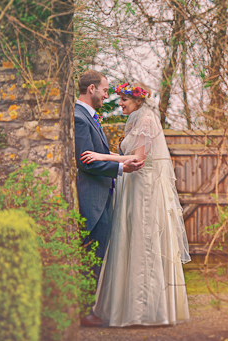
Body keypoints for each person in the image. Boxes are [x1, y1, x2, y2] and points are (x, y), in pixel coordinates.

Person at [80, 82, 191, 327]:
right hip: (131, 188)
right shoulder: (135, 121)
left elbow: (138, 159)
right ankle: (128, 306)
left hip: (144, 190)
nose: (119, 103)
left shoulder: (148, 121)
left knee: (143, 242)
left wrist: (102, 156)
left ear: (138, 102)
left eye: (124, 100)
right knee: (128, 242)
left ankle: (145, 311)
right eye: (120, 99)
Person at [74, 71, 144, 327]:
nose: (107, 94)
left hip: (103, 197)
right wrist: (120, 168)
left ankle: (88, 308)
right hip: (92, 199)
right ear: (91, 88)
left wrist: (117, 159)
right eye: (104, 89)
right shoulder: (79, 117)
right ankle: (83, 311)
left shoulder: (89, 116)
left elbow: (99, 154)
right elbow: (85, 160)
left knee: (97, 254)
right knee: (91, 253)